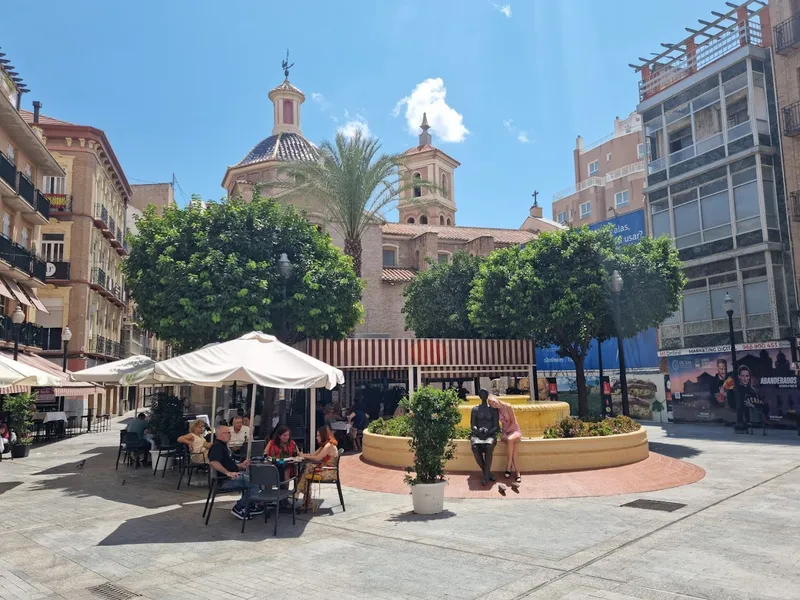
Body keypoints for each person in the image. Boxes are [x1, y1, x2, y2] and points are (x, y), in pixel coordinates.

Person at [207, 425, 264, 520]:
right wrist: (227, 473)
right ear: (221, 435)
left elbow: (228, 464)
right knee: (255, 481)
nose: (230, 435)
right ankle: (240, 507)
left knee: (256, 477)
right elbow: (213, 462)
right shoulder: (217, 446)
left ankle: (251, 504)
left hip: (231, 476)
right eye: (228, 433)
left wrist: (240, 465)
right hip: (224, 481)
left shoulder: (223, 446)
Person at [296, 426, 340, 508]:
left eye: (318, 436)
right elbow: (313, 455)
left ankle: (299, 492)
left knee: (307, 468)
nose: (317, 437)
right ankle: (305, 498)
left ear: (324, 436)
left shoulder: (329, 445)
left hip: (329, 472)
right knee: (307, 468)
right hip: (324, 469)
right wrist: (303, 455)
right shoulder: (324, 445)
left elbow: (317, 458)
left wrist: (304, 456)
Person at [488, 395, 522, 483]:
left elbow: (514, 423)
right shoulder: (496, 411)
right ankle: (518, 473)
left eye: (493, 401)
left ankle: (509, 466)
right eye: (491, 404)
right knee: (513, 448)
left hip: (514, 430)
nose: (493, 404)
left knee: (510, 440)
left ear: (496, 399)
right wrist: (503, 434)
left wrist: (506, 433)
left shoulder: (508, 406)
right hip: (505, 433)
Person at [471, 389, 499, 486]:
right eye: (481, 394)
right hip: (478, 435)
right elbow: (473, 426)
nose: (483, 396)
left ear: (487, 396)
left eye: (485, 394)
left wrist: (488, 432)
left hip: (490, 435)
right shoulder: (474, 409)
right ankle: (487, 473)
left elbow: (496, 426)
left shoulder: (493, 409)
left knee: (488, 446)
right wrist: (478, 431)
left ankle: (485, 476)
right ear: (479, 396)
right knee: (475, 447)